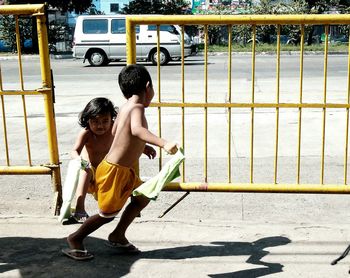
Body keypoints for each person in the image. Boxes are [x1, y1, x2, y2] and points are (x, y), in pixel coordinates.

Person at [62, 64, 178, 260]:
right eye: (152, 89)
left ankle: (117, 235)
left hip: (122, 170)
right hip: (114, 172)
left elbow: (118, 134)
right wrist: (163, 143)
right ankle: (75, 238)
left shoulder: (125, 107)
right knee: (107, 213)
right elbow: (138, 131)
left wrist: (142, 147)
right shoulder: (138, 108)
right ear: (148, 86)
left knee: (142, 197)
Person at [63, 97, 118, 224]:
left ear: (112, 119)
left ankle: (110, 209)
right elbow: (74, 151)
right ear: (87, 120)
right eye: (95, 121)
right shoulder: (86, 133)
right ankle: (79, 208)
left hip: (106, 169)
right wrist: (79, 160)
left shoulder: (114, 129)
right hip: (91, 170)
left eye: (105, 121)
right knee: (85, 169)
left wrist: (145, 148)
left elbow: (128, 140)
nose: (100, 126)